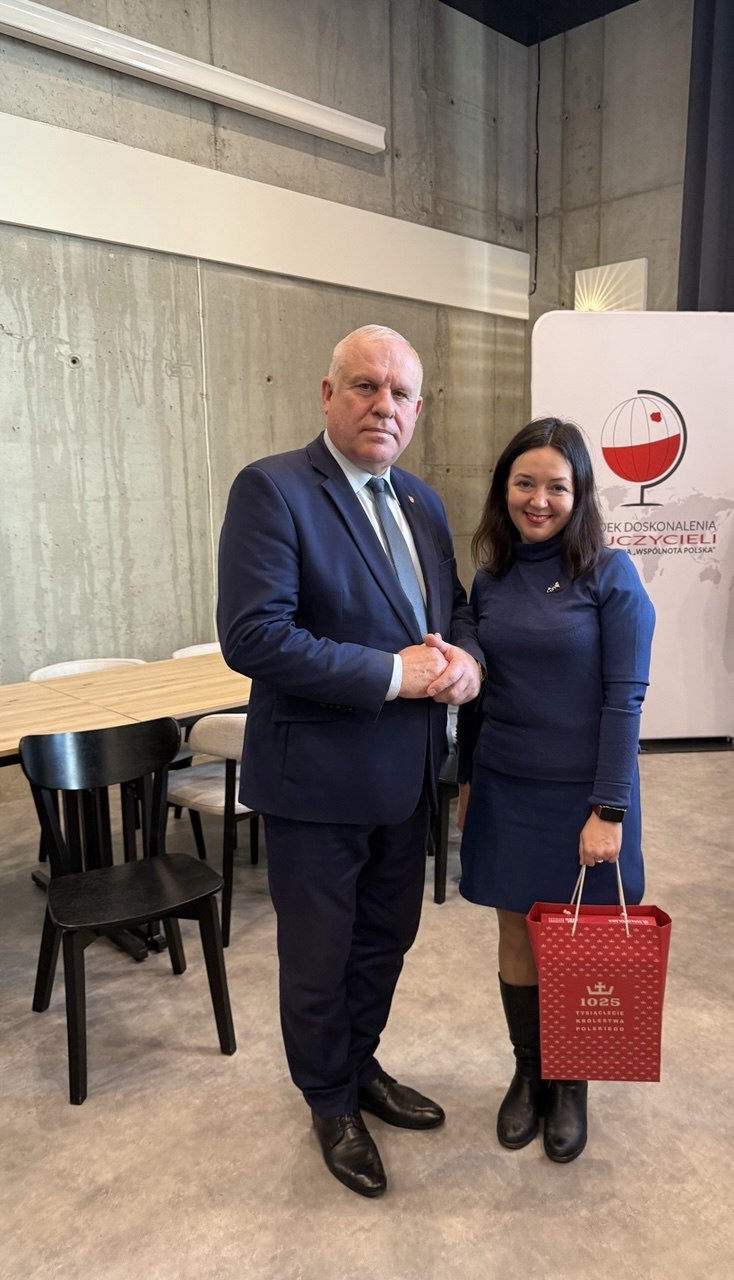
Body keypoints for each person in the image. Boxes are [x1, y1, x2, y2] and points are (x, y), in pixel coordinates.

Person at [217, 324, 483, 1198]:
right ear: (328, 395)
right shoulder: (273, 489)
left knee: (384, 941)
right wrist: (394, 675)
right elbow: (255, 636)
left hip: (407, 779)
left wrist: (468, 662)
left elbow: (456, 612)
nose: (384, 406)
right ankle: (329, 1101)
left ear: (418, 410)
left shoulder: (423, 503)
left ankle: (358, 1064)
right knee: (319, 957)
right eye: (366, 386)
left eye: (401, 393)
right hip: (317, 784)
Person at [456, 417, 655, 1164]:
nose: (538, 500)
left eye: (556, 487)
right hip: (506, 787)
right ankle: (530, 1070)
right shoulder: (490, 579)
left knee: (580, 944)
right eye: (524, 483)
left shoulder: (610, 575)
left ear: (581, 494)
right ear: (503, 489)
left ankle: (571, 1081)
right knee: (516, 932)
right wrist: (466, 781)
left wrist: (610, 810)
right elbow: (478, 698)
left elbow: (623, 701)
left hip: (585, 796)